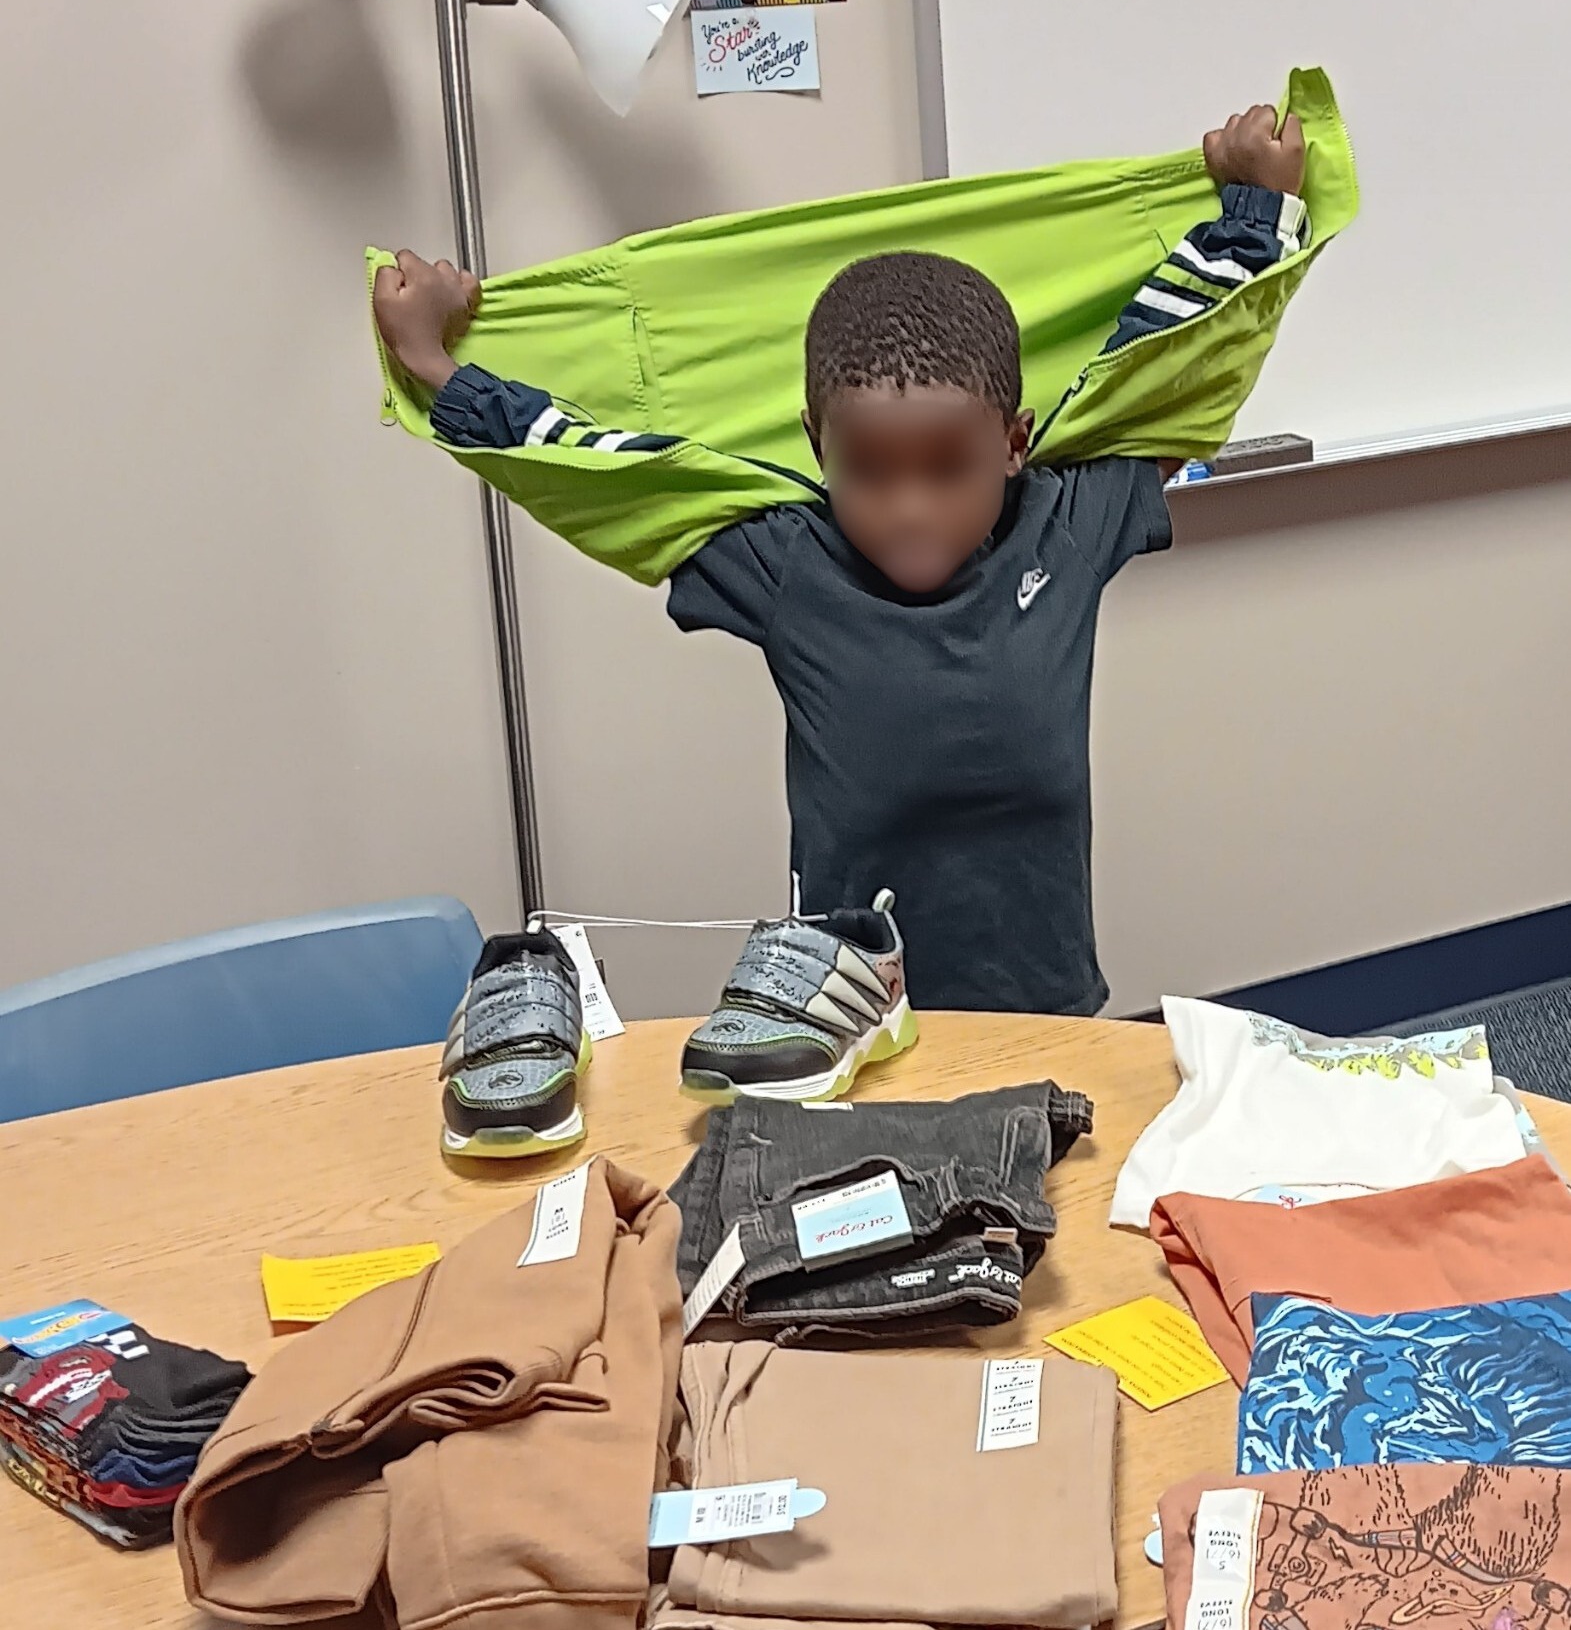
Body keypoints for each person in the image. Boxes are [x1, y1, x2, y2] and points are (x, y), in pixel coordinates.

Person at [376, 104, 1307, 1112]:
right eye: (868, 471)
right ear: (818, 444)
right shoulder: (790, 563)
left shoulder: (1063, 527)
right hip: (835, 1023)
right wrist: (437, 369)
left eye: (946, 469)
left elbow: (1168, 359)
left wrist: (1253, 205)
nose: (909, 508)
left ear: (1012, 443)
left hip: (1045, 1010)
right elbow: (601, 469)